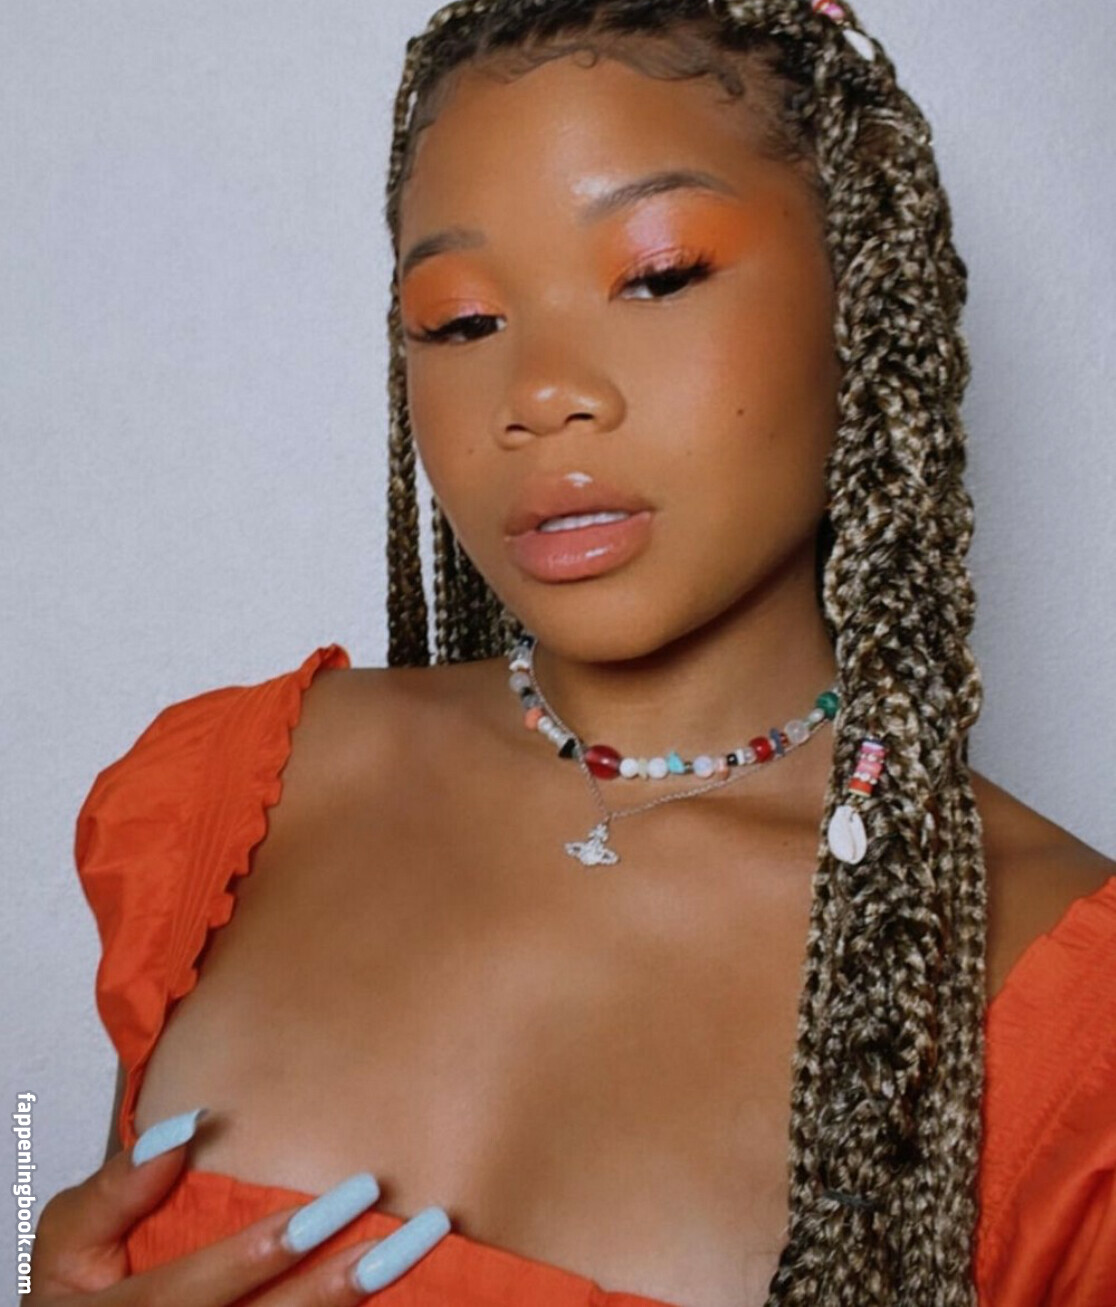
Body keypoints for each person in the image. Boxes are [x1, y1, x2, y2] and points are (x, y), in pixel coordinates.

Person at [26, 1, 1116, 1305]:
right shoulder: (237, 797)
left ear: (865, 303)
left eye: (658, 276)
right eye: (460, 321)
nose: (543, 392)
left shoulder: (1067, 1014)